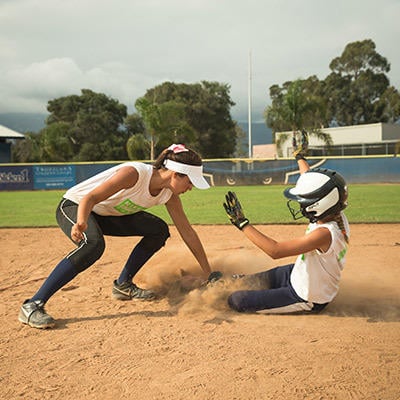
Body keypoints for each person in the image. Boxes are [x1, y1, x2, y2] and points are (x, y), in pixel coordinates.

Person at [19, 143, 213, 329]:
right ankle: (33, 305)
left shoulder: (169, 195)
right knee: (93, 245)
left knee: (158, 230)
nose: (191, 187)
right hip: (76, 206)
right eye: (190, 181)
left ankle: (123, 285)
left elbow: (188, 232)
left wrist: (208, 273)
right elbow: (90, 198)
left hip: (106, 215)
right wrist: (81, 222)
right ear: (176, 174)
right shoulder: (134, 174)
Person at [221, 132, 350, 314]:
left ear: (318, 205)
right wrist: (299, 156)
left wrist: (242, 223)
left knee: (237, 300)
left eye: (304, 201)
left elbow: (276, 250)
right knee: (238, 281)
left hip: (304, 296)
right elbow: (309, 177)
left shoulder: (324, 233)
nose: (300, 203)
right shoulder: (334, 214)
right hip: (296, 273)